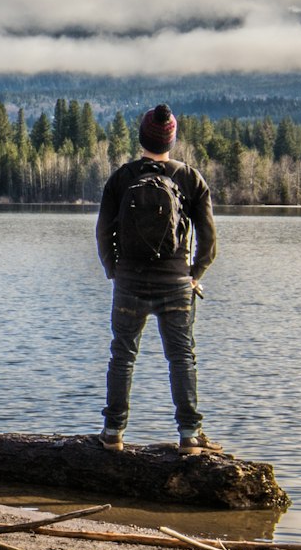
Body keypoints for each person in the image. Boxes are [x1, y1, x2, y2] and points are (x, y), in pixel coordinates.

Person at [94, 104, 220, 453]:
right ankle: (190, 436)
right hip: (176, 283)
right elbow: (209, 243)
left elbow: (103, 233)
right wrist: (193, 276)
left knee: (122, 355)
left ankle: (112, 432)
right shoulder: (190, 178)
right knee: (181, 358)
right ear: (171, 138)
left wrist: (113, 271)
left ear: (142, 137)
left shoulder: (122, 178)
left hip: (129, 283)